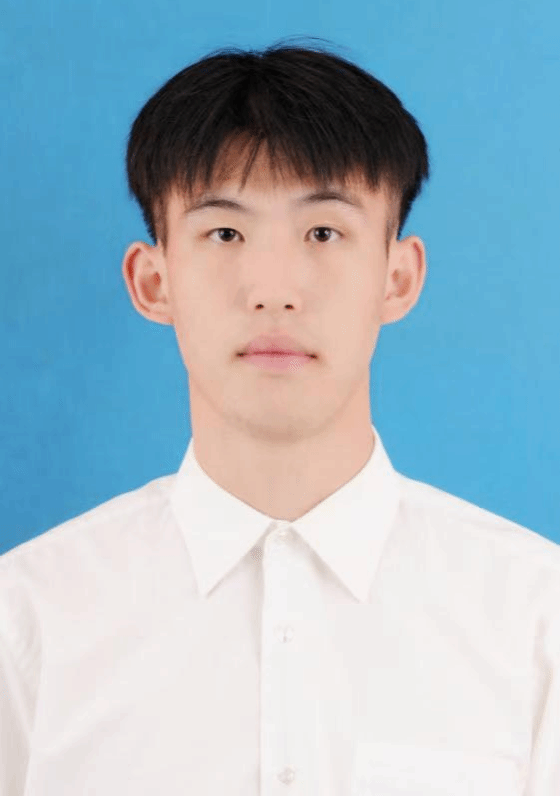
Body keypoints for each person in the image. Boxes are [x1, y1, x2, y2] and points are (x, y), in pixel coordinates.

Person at [1, 40, 559, 796]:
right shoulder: (26, 623)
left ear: (397, 278)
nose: (273, 289)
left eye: (323, 232)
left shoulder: (536, 618)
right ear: (154, 281)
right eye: (224, 233)